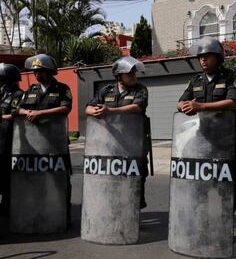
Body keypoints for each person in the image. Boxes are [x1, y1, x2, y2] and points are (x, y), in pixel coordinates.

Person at [177, 36, 236, 211]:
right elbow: (180, 102)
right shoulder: (196, 81)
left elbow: (232, 103)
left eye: (207, 56)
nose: (203, 60)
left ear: (218, 57)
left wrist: (200, 106)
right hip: (204, 140)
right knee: (200, 183)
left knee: (227, 186)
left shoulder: (232, 77)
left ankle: (225, 221)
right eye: (200, 57)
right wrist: (185, 106)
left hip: (227, 141)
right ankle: (203, 219)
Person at [85, 56, 149, 208]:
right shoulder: (106, 91)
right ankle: (113, 211)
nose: (133, 76)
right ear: (119, 76)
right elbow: (88, 107)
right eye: (129, 73)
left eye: (134, 73)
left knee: (135, 179)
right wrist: (95, 111)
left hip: (133, 144)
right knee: (111, 178)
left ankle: (133, 213)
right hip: (109, 144)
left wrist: (110, 110)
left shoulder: (140, 89)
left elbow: (138, 107)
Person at [17, 54, 73, 225]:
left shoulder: (62, 88)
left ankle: (64, 215)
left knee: (59, 179)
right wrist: (27, 112)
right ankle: (40, 212)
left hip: (56, 143)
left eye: (41, 71)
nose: (37, 75)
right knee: (37, 180)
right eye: (35, 72)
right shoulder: (31, 90)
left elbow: (65, 108)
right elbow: (17, 108)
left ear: (50, 72)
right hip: (35, 144)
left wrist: (40, 113)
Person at [0, 63, 23, 217]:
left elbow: (16, 115)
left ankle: (8, 206)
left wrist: (1, 117)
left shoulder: (18, 94)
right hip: (0, 136)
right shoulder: (2, 92)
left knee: (7, 174)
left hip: (10, 138)